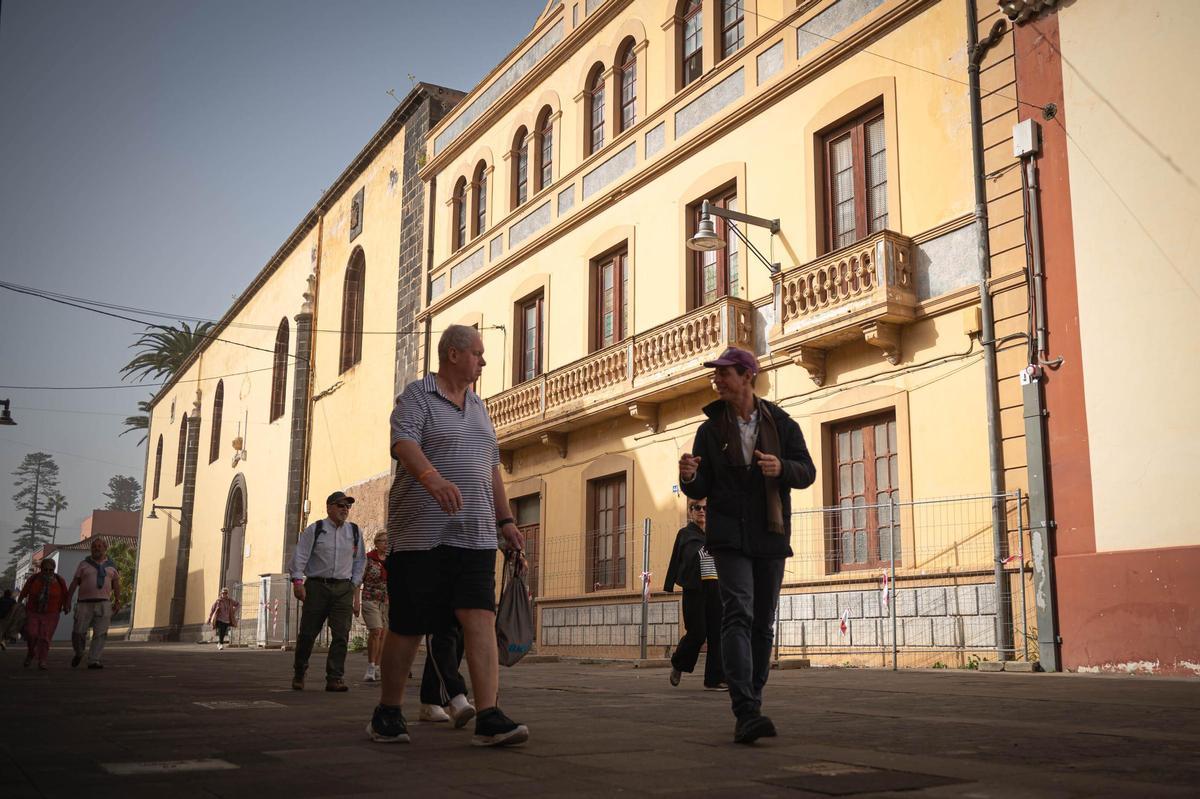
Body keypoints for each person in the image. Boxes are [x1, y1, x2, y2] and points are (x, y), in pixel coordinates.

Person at [367, 324, 528, 747]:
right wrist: (431, 477)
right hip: (421, 536)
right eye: (478, 353)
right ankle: (387, 711)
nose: (483, 361)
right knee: (408, 626)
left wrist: (506, 521)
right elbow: (403, 443)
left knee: (480, 618)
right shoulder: (417, 396)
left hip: (475, 537)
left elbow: (490, 467)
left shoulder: (479, 407)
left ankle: (489, 715)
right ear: (453, 354)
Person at [679, 347, 815, 744]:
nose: (716, 380)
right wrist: (688, 476)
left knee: (762, 622)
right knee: (737, 611)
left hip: (769, 535)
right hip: (727, 538)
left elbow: (806, 471)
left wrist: (781, 468)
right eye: (716, 375)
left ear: (746, 376)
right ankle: (745, 707)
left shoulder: (782, 423)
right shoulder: (709, 430)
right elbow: (699, 487)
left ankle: (752, 699)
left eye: (724, 374)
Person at [289, 491, 366, 692]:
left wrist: (353, 583)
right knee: (308, 633)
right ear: (329, 507)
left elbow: (360, 561)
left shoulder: (355, 532)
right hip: (317, 586)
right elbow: (300, 557)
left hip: (343, 588)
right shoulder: (315, 529)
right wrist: (298, 582)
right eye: (340, 505)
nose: (345, 509)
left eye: (347, 506)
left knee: (341, 634)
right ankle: (299, 671)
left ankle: (335, 677)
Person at [665, 498, 725, 691]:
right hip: (695, 588)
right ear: (690, 511)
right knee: (698, 633)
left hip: (716, 587)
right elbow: (688, 555)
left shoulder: (717, 532)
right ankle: (678, 663)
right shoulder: (686, 534)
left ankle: (714, 680)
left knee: (717, 634)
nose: (701, 511)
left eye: (706, 508)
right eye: (697, 507)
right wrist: (707, 546)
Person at [67, 537, 122, 669]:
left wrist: (118, 600)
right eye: (94, 547)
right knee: (78, 632)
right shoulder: (83, 564)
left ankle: (94, 660)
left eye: (99, 546)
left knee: (101, 633)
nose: (97, 548)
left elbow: (116, 583)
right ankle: (79, 652)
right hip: (84, 603)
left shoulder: (111, 566)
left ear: (105, 548)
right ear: (91, 549)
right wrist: (67, 600)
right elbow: (75, 582)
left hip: (104, 603)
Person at [17, 559, 70, 669]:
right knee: (32, 634)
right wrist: (18, 604)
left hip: (52, 614)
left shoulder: (59, 581)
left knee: (45, 638)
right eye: (45, 569)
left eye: (51, 570)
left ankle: (42, 660)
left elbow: (65, 594)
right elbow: (24, 592)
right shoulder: (34, 579)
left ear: (54, 569)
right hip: (33, 612)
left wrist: (66, 605)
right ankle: (31, 652)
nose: (48, 572)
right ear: (41, 569)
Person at [361, 531, 389, 681]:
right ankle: (371, 666)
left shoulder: (391, 560)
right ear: (376, 543)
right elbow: (359, 580)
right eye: (383, 541)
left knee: (384, 634)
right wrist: (355, 602)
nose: (386, 544)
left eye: (387, 541)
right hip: (369, 598)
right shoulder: (369, 559)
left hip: (386, 601)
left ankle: (378, 666)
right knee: (376, 631)